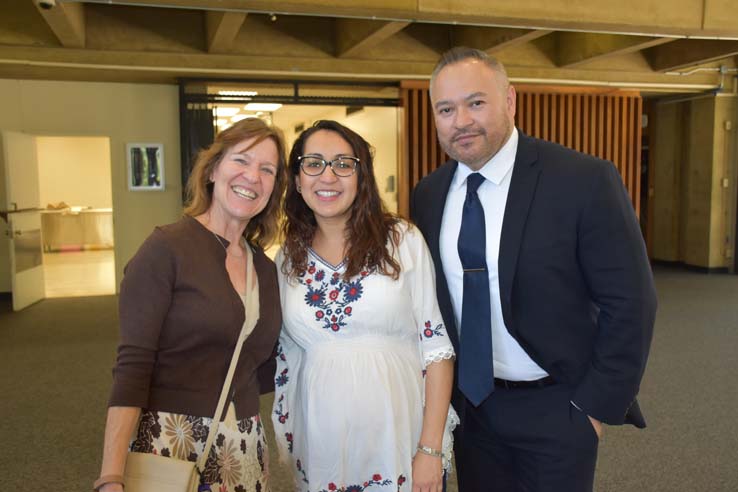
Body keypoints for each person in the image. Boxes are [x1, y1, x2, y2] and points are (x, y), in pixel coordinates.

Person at [411, 47, 657, 492]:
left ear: (510, 101)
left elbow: (631, 302)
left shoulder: (582, 180)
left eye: (476, 102)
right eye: (445, 109)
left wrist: (594, 409)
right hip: (472, 411)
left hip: (558, 407)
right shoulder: (429, 194)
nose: (460, 121)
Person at [94, 117, 287, 492]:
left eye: (267, 170)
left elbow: (259, 364)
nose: (253, 176)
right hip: (172, 444)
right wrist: (111, 476)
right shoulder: (166, 249)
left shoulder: (265, 268)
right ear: (213, 170)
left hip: (244, 451)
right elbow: (133, 366)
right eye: (242, 161)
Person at [273, 120, 458, 492]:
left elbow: (436, 347)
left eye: (343, 163)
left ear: (361, 176)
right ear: (296, 179)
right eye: (313, 163)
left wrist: (430, 448)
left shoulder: (401, 240)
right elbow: (286, 357)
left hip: (401, 437)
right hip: (323, 443)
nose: (329, 176)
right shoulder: (287, 260)